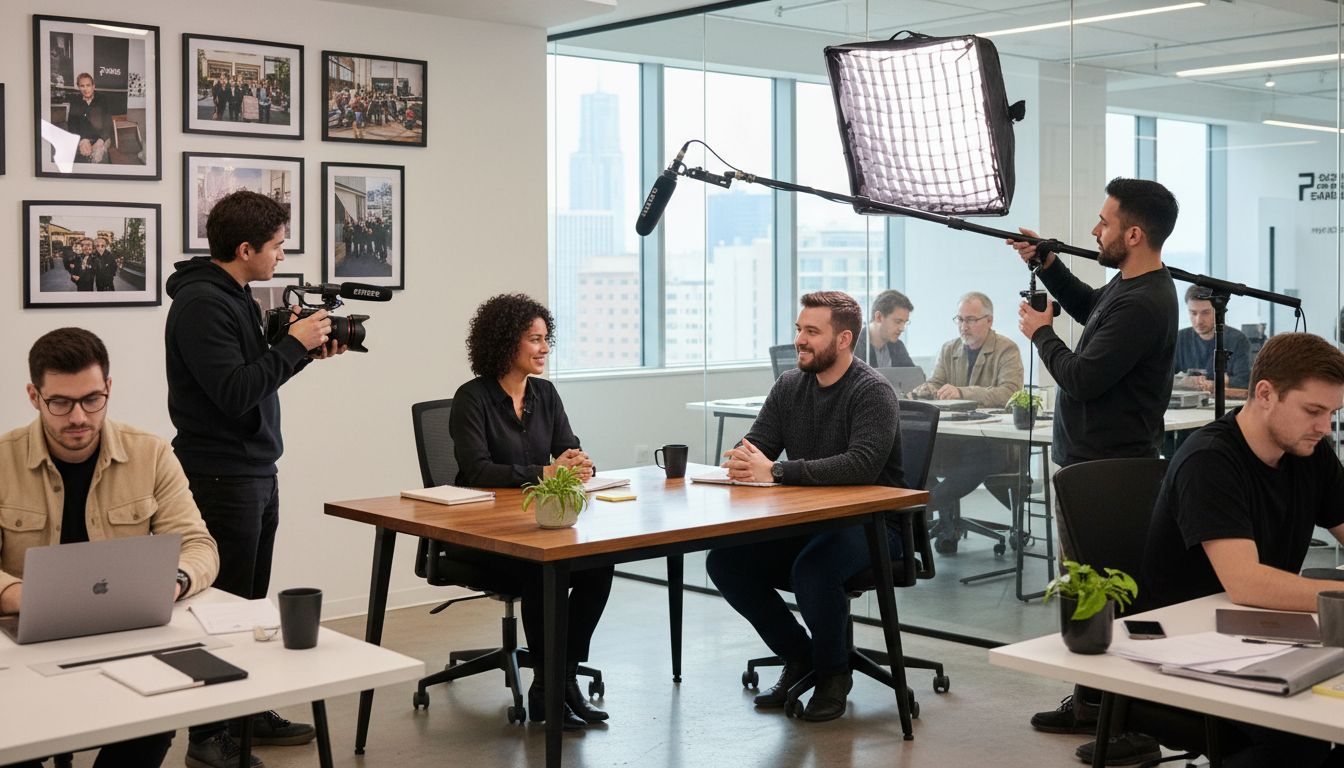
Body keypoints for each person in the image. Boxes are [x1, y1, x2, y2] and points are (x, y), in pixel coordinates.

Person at [165, 190, 343, 767]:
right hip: (220, 476)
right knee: (220, 611)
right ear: (245, 249)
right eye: (277, 246)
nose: (282, 255)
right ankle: (208, 737)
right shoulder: (201, 305)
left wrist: (301, 352)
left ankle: (244, 713)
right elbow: (235, 392)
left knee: (247, 605)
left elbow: (253, 377)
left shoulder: (235, 294)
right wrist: (292, 345)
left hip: (254, 469)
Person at [1008, 178, 1180, 765]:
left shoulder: (1145, 301)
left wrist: (1041, 335)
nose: (1094, 230)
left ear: (1133, 235)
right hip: (1090, 461)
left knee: (1114, 596)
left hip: (1112, 469)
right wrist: (1049, 266)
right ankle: (1091, 703)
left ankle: (1135, 726)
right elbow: (1091, 309)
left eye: (1104, 222)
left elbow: (1082, 378)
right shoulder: (1128, 288)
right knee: (1086, 589)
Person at [0, 327, 220, 768]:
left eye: (92, 399)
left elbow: (199, 545)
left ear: (109, 388)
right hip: (23, 641)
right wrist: (23, 596)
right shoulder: (3, 460)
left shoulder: (150, 454)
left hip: (124, 634)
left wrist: (173, 581)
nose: (78, 417)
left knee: (157, 717)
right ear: (34, 396)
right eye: (60, 403)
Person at [1128, 332, 1344, 767]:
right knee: (1303, 736)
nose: (1325, 428)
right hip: (1183, 648)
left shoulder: (1309, 452)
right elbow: (1246, 583)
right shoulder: (1209, 460)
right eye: (1313, 411)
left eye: (1332, 414)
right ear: (1265, 394)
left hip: (1261, 636)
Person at [705, 291, 905, 723]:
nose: (800, 340)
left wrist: (777, 471)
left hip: (874, 527)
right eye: (799, 329)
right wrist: (744, 458)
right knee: (725, 561)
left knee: (814, 568)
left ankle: (834, 675)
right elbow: (756, 444)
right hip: (811, 522)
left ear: (844, 339)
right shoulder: (789, 386)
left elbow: (861, 464)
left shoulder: (872, 391)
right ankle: (800, 655)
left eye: (812, 331)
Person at [449, 293, 611, 731]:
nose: (543, 348)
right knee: (543, 571)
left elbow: (568, 448)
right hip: (482, 534)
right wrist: (546, 471)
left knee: (599, 565)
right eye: (534, 339)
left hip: (538, 523)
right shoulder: (472, 398)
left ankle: (561, 680)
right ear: (506, 343)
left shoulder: (546, 394)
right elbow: (478, 471)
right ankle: (549, 688)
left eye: (545, 339)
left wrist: (580, 464)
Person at [910, 292, 1024, 553]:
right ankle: (945, 523)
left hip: (990, 441)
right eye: (960, 319)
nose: (964, 326)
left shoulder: (1007, 349)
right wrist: (926, 390)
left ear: (989, 320)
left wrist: (962, 392)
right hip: (953, 437)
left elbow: (1009, 392)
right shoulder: (949, 348)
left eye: (971, 320)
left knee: (977, 458)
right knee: (918, 451)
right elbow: (936, 382)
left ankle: (926, 505)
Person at [1174, 283, 1252, 393]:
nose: (1198, 320)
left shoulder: (1238, 340)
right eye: (1193, 313)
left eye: (1205, 313)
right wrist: (1183, 382)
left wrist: (1211, 384)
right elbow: (1164, 377)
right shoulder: (1179, 338)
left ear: (1218, 311)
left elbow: (1244, 381)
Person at [854, 289, 915, 368]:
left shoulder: (898, 346)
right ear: (878, 317)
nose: (902, 329)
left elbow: (913, 374)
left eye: (905, 322)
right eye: (898, 322)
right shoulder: (853, 347)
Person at [67, 73, 112, 164]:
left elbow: (108, 123)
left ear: (93, 86)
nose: (85, 89)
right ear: (79, 87)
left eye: (88, 85)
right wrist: (82, 140)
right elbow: (72, 124)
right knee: (80, 157)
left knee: (97, 158)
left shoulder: (103, 99)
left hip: (101, 137)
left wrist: (101, 140)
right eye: (82, 86)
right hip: (83, 137)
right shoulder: (75, 101)